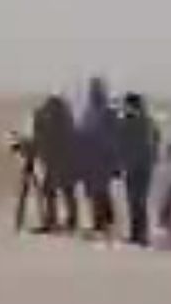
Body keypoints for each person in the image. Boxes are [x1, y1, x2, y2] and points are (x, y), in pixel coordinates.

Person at [76, 76, 120, 238]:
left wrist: (114, 161)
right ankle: (104, 222)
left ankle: (102, 223)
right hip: (91, 157)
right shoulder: (89, 112)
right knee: (97, 191)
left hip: (102, 157)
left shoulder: (107, 112)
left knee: (99, 191)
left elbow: (114, 137)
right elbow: (82, 133)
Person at [118, 92, 161, 245]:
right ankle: (137, 233)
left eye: (126, 105)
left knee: (138, 200)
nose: (125, 108)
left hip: (139, 166)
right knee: (134, 201)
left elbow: (154, 142)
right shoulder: (145, 121)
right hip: (137, 166)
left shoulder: (138, 122)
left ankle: (141, 234)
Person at [32, 94, 78, 233]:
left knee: (50, 190)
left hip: (55, 160)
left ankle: (52, 220)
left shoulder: (48, 119)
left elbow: (42, 140)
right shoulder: (66, 119)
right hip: (65, 159)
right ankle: (71, 220)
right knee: (66, 190)